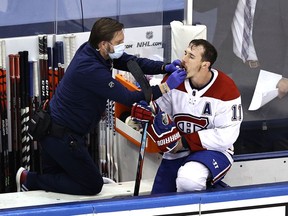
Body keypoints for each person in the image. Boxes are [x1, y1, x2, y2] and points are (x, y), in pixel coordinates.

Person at [16, 17, 187, 195]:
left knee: (59, 179)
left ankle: (35, 183)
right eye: (119, 42)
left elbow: (132, 63)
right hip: (61, 136)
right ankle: (30, 179)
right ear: (104, 44)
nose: (123, 45)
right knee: (92, 185)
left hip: (58, 130)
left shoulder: (93, 50)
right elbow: (128, 97)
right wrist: (165, 87)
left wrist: (164, 67)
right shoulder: (90, 68)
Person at [131, 39, 242, 194]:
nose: (183, 59)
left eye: (191, 56)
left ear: (205, 65)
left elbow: (227, 135)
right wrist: (147, 111)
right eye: (185, 53)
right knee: (159, 201)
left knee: (189, 180)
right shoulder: (174, 80)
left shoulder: (226, 88)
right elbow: (160, 112)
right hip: (177, 151)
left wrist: (183, 142)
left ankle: (219, 195)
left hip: (215, 150)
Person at [194, 0, 288, 154]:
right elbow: (199, 5)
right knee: (242, 128)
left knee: (277, 133)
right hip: (241, 69)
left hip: (275, 72)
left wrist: (286, 76)